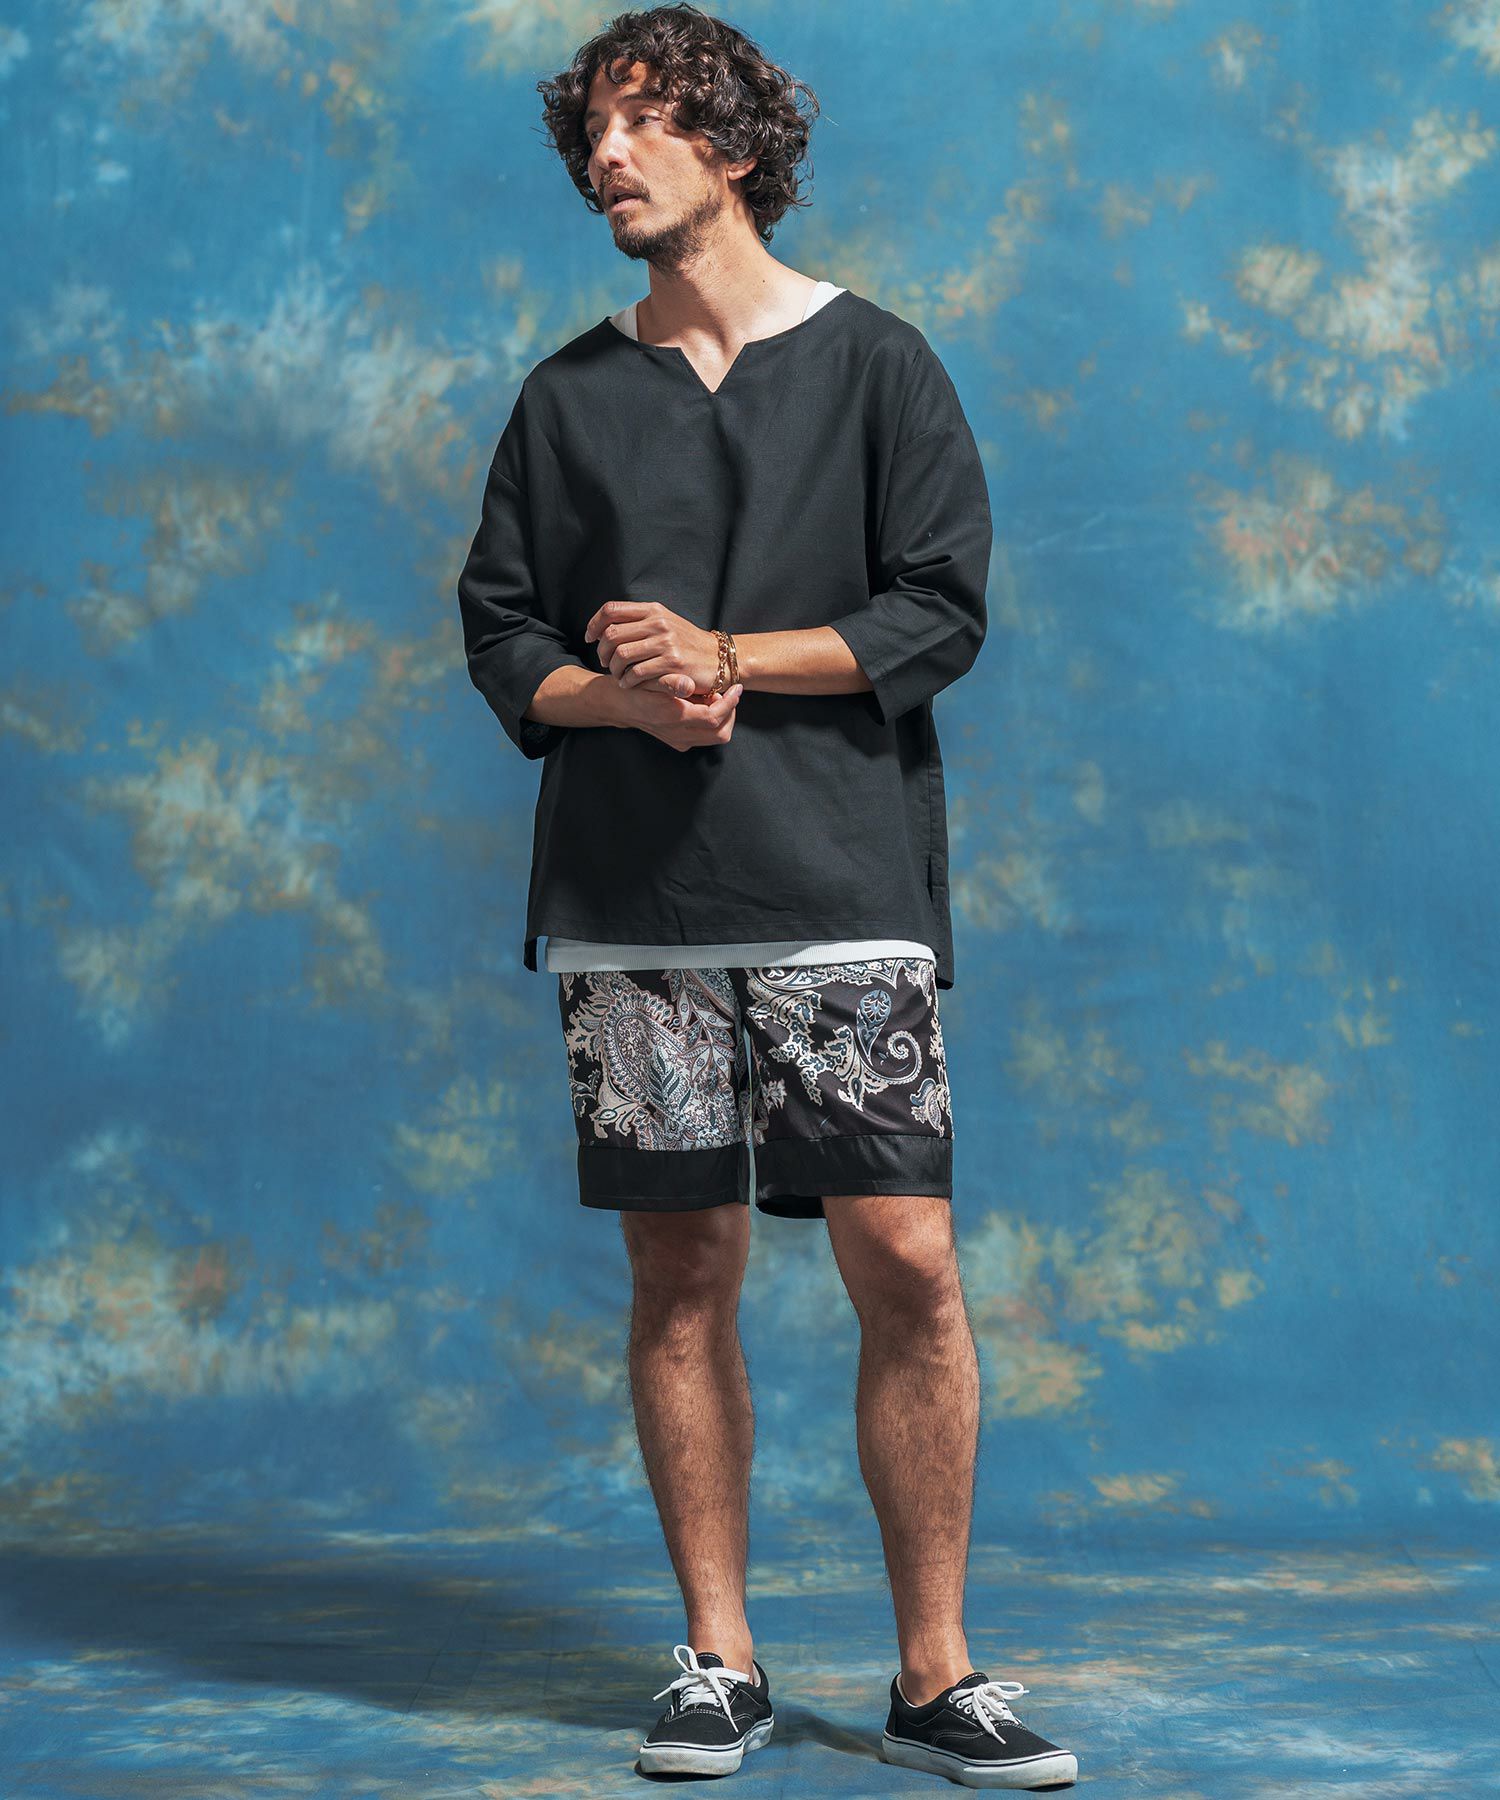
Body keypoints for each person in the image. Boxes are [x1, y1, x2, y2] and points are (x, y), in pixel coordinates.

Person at [456, 4, 1078, 1788]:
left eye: (646, 121)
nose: (608, 156)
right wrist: (629, 697)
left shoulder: (880, 364)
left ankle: (933, 1675)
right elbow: (500, 633)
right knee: (680, 1271)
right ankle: (718, 1660)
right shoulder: (566, 399)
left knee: (909, 1262)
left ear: (733, 144)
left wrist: (729, 655)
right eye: (592, 132)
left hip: (842, 882)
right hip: (632, 901)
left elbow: (939, 608)